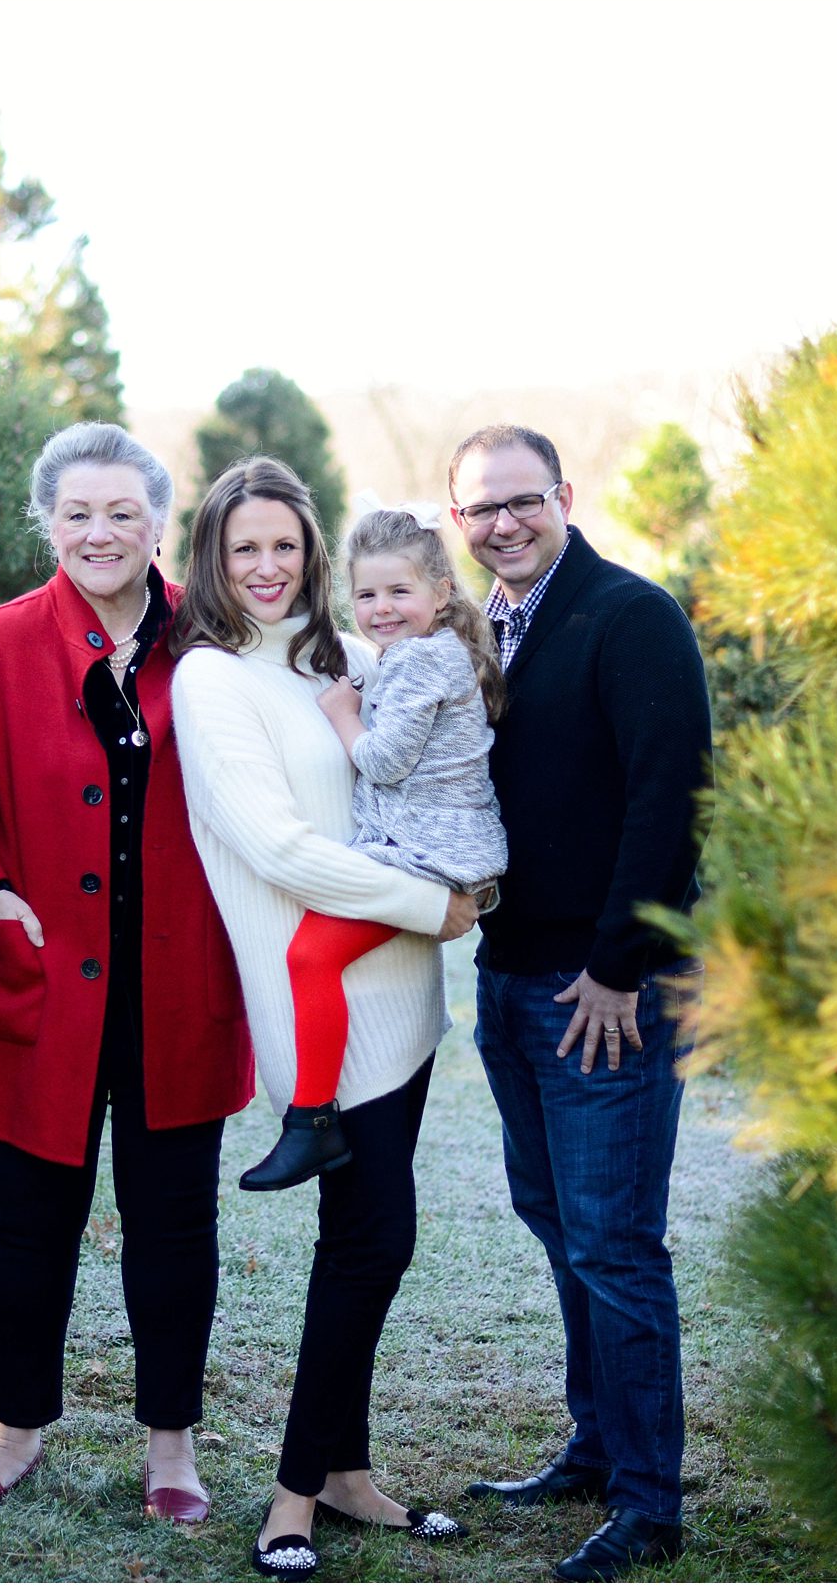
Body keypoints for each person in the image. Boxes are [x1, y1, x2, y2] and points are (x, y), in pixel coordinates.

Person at [0, 423, 253, 1523]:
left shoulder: (218, 638)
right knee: (26, 1225)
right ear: (48, 524)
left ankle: (172, 1448)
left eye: (123, 513)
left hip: (180, 987)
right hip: (36, 983)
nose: (100, 533)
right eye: (78, 514)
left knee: (175, 1227)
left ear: (161, 522)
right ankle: (14, 1432)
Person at [169, 457, 479, 1583]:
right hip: (325, 1005)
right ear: (214, 558)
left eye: (285, 545)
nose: (267, 567)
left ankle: (346, 1473)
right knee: (372, 1243)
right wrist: (435, 905)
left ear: (314, 552)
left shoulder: (356, 653)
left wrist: (451, 894)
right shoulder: (212, 680)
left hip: (405, 988)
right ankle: (292, 1500)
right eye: (244, 547)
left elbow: (429, 779)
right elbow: (277, 847)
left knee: (362, 1239)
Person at [449, 425, 710, 1583]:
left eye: (522, 501)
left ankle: (649, 1504)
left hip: (608, 989)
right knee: (557, 1222)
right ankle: (597, 1449)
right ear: (458, 522)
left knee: (613, 1242)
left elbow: (672, 797)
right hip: (511, 976)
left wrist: (616, 965)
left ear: (563, 495)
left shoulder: (629, 615)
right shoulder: (490, 628)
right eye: (481, 509)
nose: (503, 524)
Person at [238, 506, 507, 1193]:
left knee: (310, 955)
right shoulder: (428, 652)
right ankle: (312, 1119)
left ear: (440, 592)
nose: (381, 608)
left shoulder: (419, 660)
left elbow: (385, 762)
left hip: (430, 855)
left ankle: (311, 1121)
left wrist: (342, 714)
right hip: (428, 846)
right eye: (366, 594)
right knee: (313, 954)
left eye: (398, 591)